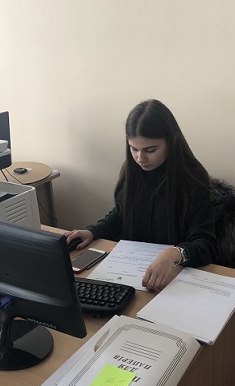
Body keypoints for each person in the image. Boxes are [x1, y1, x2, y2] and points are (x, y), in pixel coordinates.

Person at [65, 99, 217, 291]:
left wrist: (174, 253)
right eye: (133, 149)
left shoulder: (193, 180)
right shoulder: (132, 170)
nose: (140, 158)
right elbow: (122, 214)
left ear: (172, 141)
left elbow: (206, 245)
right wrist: (93, 231)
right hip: (133, 273)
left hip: (174, 278)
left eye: (150, 150)